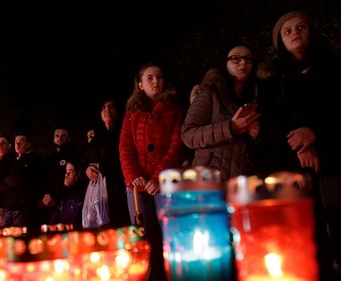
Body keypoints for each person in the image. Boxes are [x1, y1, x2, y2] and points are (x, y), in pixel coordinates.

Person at [258, 10, 341, 279]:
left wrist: (315, 134)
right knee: (308, 236)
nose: (295, 33)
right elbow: (269, 122)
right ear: (279, 40)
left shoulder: (333, 66)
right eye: (287, 30)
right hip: (292, 164)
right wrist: (301, 144)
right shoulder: (271, 79)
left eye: (300, 27)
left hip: (333, 157)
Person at [119, 62, 185, 281]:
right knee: (144, 236)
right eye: (150, 78)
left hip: (164, 183)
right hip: (139, 185)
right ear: (140, 84)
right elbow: (126, 147)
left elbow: (177, 145)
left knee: (169, 235)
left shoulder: (174, 109)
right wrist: (133, 176)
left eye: (159, 77)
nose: (156, 81)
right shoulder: (131, 113)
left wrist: (158, 177)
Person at [182, 42, 260, 181]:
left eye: (248, 59)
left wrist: (255, 136)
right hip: (208, 181)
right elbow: (188, 135)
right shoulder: (210, 94)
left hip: (241, 183)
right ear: (225, 64)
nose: (243, 62)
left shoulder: (255, 97)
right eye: (236, 58)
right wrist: (231, 128)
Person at [81, 100, 130, 227]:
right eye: (104, 107)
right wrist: (86, 170)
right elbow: (84, 161)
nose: (107, 109)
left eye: (111, 106)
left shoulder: (124, 132)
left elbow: (125, 158)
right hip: (98, 193)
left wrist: (101, 168)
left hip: (118, 190)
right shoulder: (95, 137)